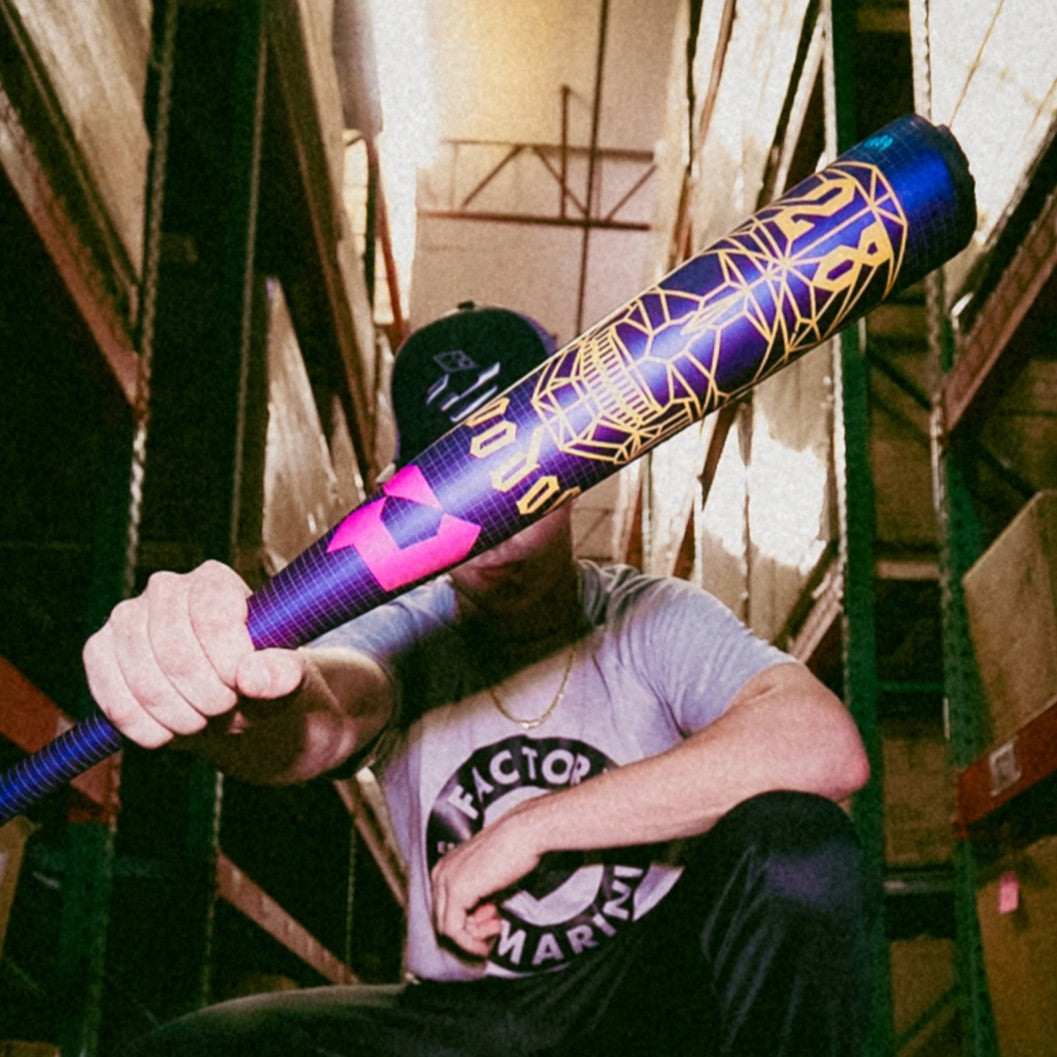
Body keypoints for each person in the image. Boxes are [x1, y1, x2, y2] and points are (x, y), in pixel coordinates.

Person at [84, 303, 874, 1056]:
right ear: (398, 504)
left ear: (579, 463)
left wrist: (529, 828)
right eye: (454, 498)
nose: (495, 536)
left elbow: (822, 746)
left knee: (796, 851)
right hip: (464, 1021)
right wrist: (218, 694)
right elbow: (321, 720)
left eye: (520, 482)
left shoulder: (648, 619)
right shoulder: (407, 628)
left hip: (643, 1008)